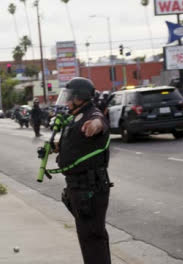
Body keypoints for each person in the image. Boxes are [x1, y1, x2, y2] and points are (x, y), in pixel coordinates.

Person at [53, 77, 113, 264]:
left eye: (70, 97)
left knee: (93, 237)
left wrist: (95, 127)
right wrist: (59, 147)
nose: (67, 101)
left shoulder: (92, 115)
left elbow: (99, 123)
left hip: (90, 187)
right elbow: (78, 143)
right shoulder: (76, 116)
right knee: (88, 237)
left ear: (80, 97)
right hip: (79, 187)